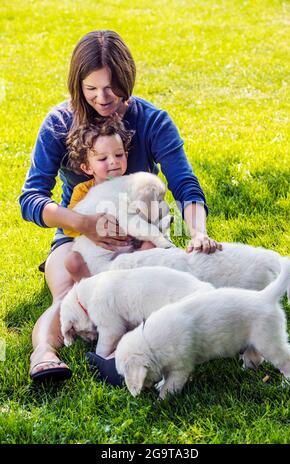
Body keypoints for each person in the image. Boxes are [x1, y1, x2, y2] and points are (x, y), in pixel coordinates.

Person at [19, 30, 222, 383]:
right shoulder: (59, 124)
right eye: (91, 89)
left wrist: (198, 232)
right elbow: (31, 199)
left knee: (154, 294)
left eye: (111, 88)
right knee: (71, 296)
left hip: (138, 238)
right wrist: (83, 223)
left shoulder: (152, 121)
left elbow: (186, 187)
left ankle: (138, 356)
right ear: (77, 85)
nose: (102, 98)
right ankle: (45, 354)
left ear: (126, 78)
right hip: (78, 238)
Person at [62, 114, 144, 283]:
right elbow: (69, 227)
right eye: (102, 158)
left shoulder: (133, 185)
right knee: (72, 261)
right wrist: (90, 224)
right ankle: (87, 289)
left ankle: (137, 283)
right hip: (97, 251)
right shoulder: (83, 191)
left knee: (149, 247)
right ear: (87, 167)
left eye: (119, 155)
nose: (113, 162)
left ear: (126, 155)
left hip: (129, 248)